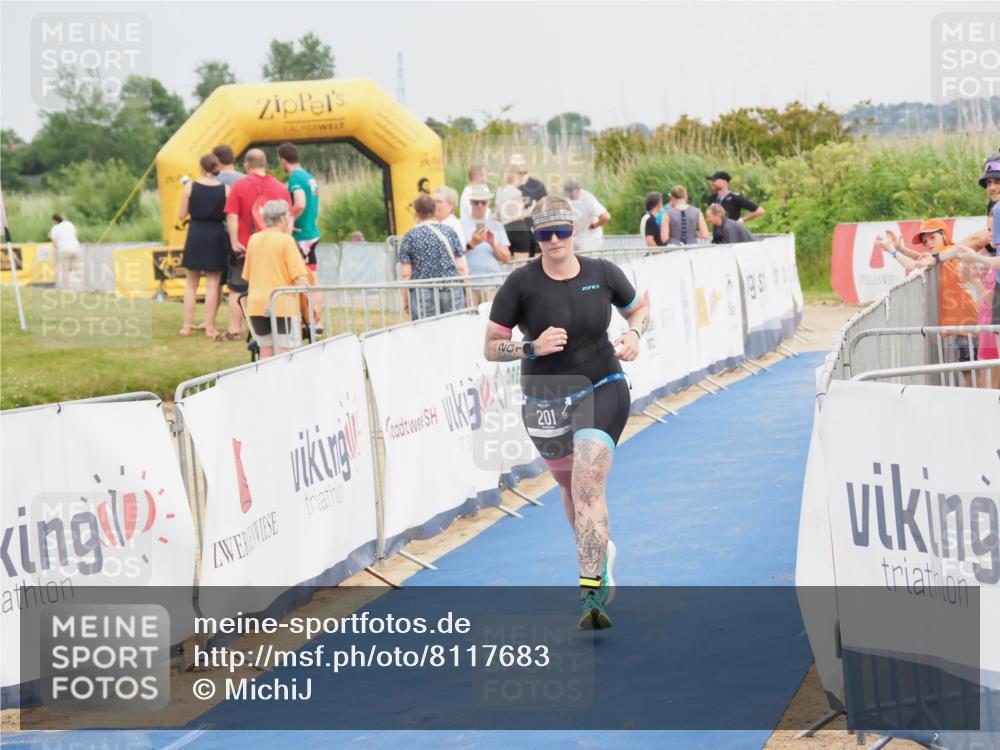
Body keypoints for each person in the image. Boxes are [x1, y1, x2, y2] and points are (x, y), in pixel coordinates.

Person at [484, 195, 650, 630]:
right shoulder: (520, 284)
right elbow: (490, 346)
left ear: (574, 231)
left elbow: (639, 309)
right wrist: (531, 346)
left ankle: (590, 592)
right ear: (536, 237)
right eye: (544, 234)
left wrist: (634, 333)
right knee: (569, 488)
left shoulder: (603, 273)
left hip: (602, 383)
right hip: (544, 395)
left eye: (561, 231)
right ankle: (600, 550)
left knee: (588, 483)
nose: (554, 240)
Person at [877, 219, 981, 377]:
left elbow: (913, 265)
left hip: (967, 325)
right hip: (966, 324)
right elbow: (921, 258)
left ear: (944, 236)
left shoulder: (948, 252)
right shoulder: (942, 256)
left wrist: (893, 251)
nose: (929, 243)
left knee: (973, 374)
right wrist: (900, 248)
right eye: (925, 241)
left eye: (933, 238)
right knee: (970, 373)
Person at [221, 148, 293, 341]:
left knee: (238, 287)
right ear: (265, 165)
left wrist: (235, 241)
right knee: (276, 288)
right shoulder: (280, 187)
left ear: (246, 165)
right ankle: (275, 330)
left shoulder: (239, 185)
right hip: (277, 248)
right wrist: (286, 239)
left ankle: (235, 328)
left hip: (247, 245)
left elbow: (232, 215)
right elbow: (289, 216)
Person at [242, 200, 310, 359]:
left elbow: (247, 275)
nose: (289, 220)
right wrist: (312, 302)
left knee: (265, 350)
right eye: (288, 216)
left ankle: (267, 383)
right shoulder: (286, 240)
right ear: (281, 219)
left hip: (256, 305)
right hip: (281, 305)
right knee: (285, 351)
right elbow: (299, 277)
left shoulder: (254, 239)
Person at [178, 154, 229, 338]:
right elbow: (228, 215)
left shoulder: (189, 187)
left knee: (191, 285)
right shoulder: (225, 189)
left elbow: (181, 214)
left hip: (196, 233)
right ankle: (209, 327)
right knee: (213, 285)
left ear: (201, 167)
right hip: (216, 234)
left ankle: (186, 326)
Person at [398, 193, 468, 320]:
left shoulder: (409, 236)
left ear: (416, 212)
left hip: (422, 292)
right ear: (434, 210)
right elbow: (461, 268)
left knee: (426, 334)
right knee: (455, 331)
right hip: (452, 288)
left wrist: (406, 299)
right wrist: (466, 292)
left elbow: (406, 274)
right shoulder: (449, 231)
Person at [278, 142, 323, 326]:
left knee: (304, 278)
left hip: (302, 236)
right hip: (311, 231)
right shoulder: (309, 176)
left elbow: (301, 203)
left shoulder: (295, 179)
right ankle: (316, 320)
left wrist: (290, 221)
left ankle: (310, 319)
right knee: (313, 275)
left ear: (282, 160)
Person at [460, 184, 511, 301]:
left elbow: (506, 258)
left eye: (483, 202)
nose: (479, 205)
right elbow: (454, 254)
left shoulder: (497, 225)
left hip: (494, 285)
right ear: (470, 202)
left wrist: (493, 244)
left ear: (488, 203)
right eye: (475, 202)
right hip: (470, 286)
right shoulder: (460, 224)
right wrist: (471, 244)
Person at [706, 171, 765, 243]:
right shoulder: (712, 198)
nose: (712, 183)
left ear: (724, 182)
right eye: (711, 180)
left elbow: (760, 211)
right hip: (717, 240)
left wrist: (742, 220)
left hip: (732, 238)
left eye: (714, 180)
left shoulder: (735, 198)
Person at [510, 155, 548, 257]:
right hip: (516, 235)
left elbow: (545, 208)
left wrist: (534, 211)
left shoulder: (537, 186)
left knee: (537, 265)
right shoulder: (509, 187)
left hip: (534, 232)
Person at [564, 179, 611, 254]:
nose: (569, 196)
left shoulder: (588, 199)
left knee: (587, 261)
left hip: (590, 239)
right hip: (577, 237)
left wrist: (593, 226)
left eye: (571, 193)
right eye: (567, 193)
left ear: (578, 189)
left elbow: (606, 217)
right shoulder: (568, 200)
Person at [496, 166, 531, 261]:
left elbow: (498, 214)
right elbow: (517, 216)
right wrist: (529, 211)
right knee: (521, 264)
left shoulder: (499, 190)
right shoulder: (516, 192)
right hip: (518, 229)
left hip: (505, 229)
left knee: (507, 264)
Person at [49, 213, 83, 291]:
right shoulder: (69, 224)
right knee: (78, 269)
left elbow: (54, 242)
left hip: (64, 250)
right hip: (75, 247)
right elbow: (76, 233)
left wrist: (57, 247)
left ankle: (67, 289)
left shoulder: (55, 228)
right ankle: (85, 287)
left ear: (54, 220)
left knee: (65, 270)